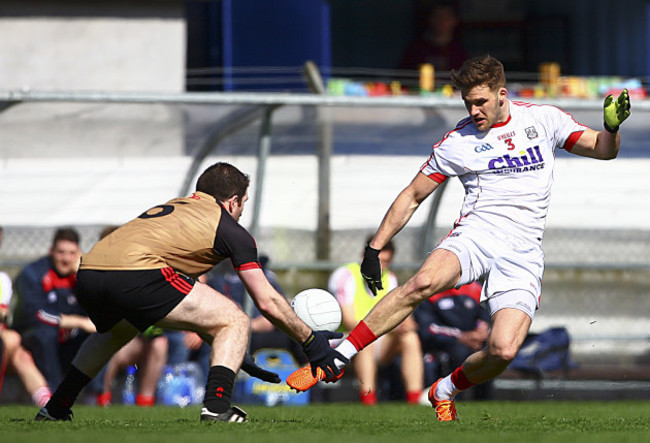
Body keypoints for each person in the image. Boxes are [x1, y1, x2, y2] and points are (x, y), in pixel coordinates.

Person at [287, 55, 631, 421]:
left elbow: (602, 149)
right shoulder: (458, 141)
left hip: (524, 252)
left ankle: (445, 389)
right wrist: (375, 248)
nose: (474, 109)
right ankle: (337, 357)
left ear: (501, 94)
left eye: (480, 101)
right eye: (467, 101)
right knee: (422, 282)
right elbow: (412, 195)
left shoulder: (544, 120)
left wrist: (611, 128)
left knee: (503, 349)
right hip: (476, 234)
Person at [36, 162, 347, 422]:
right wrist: (313, 346)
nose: (240, 213)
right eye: (243, 205)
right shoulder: (229, 229)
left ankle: (57, 405)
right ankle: (217, 408)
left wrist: (235, 351)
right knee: (236, 319)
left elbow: (195, 305)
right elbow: (265, 300)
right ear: (233, 200)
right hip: (137, 273)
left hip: (90, 272)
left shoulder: (175, 209)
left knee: (116, 332)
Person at [328, 239, 423, 405]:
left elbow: (402, 314)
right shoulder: (346, 275)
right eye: (378, 260)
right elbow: (350, 321)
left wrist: (404, 325)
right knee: (364, 339)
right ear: (365, 256)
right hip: (345, 340)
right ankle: (368, 400)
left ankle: (415, 400)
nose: (381, 266)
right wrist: (392, 326)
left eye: (386, 261)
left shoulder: (390, 279)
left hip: (380, 338)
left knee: (410, 338)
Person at [93, 222, 169, 408]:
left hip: (134, 339)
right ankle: (100, 399)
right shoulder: (93, 274)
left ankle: (145, 402)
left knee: (160, 343)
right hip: (104, 339)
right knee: (108, 341)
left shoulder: (139, 273)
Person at [12, 227, 96, 389]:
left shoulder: (83, 275)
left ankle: (97, 396)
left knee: (98, 334)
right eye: (61, 252)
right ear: (51, 251)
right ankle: (54, 396)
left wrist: (85, 276)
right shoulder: (33, 273)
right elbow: (37, 314)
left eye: (72, 253)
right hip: (33, 338)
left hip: (69, 340)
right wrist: (79, 322)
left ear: (79, 253)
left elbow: (98, 307)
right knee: (46, 333)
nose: (66, 259)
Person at [0, 226, 52, 407]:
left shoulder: (2, 279)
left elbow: (2, 317)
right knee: (13, 340)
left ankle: (48, 404)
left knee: (21, 355)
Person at [413, 282, 492, 400]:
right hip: (442, 346)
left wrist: (483, 328)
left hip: (476, 343)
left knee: (489, 355)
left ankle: (484, 402)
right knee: (458, 353)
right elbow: (428, 328)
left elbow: (486, 315)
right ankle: (451, 399)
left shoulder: (476, 289)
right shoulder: (429, 291)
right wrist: (460, 336)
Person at [398, 1, 467, 72]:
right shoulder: (417, 49)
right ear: (430, 19)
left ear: (455, 20)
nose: (442, 21)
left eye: (447, 17)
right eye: (438, 17)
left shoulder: (459, 51)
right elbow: (404, 75)